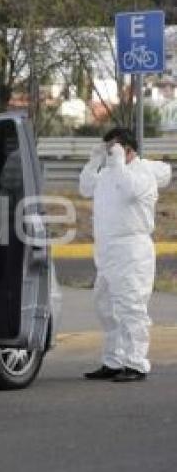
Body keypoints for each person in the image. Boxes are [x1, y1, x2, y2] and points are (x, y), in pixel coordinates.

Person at [79, 127, 172, 382]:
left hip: (132, 249)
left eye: (114, 148)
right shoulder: (109, 172)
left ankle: (136, 363)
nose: (110, 153)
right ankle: (113, 360)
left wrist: (118, 162)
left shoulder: (142, 173)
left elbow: (129, 191)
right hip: (107, 248)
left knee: (131, 306)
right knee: (106, 306)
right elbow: (86, 188)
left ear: (128, 150)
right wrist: (93, 162)